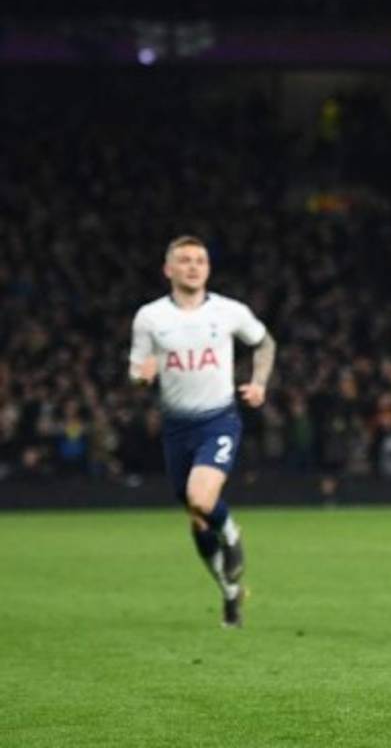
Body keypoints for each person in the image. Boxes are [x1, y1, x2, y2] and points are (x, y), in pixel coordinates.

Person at [128, 236, 277, 628]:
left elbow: (264, 344)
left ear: (208, 268)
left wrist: (259, 382)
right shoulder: (150, 317)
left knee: (200, 497)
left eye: (200, 260)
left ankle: (231, 533)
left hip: (218, 419)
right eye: (185, 260)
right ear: (169, 269)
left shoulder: (229, 311)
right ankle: (230, 594)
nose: (194, 266)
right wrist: (141, 376)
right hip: (177, 428)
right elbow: (136, 367)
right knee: (196, 516)